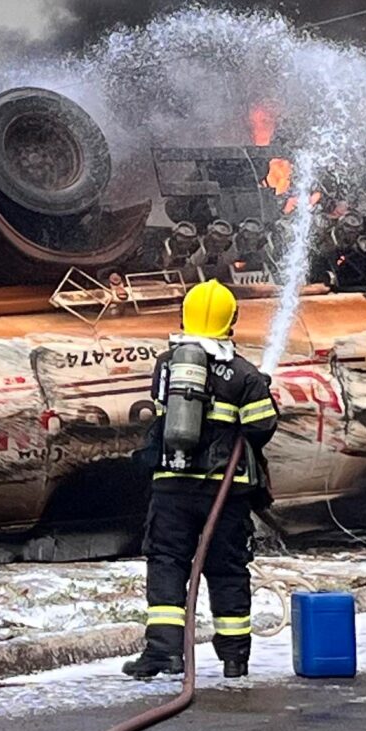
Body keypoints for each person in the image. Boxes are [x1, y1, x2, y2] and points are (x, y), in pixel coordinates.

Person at [123, 279, 279, 681]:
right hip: (223, 496)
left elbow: (160, 412)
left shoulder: (167, 364)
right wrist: (262, 390)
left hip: (171, 487)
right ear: (231, 321)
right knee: (227, 570)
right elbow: (262, 428)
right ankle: (234, 658)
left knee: (167, 564)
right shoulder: (244, 374)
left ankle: (164, 653)